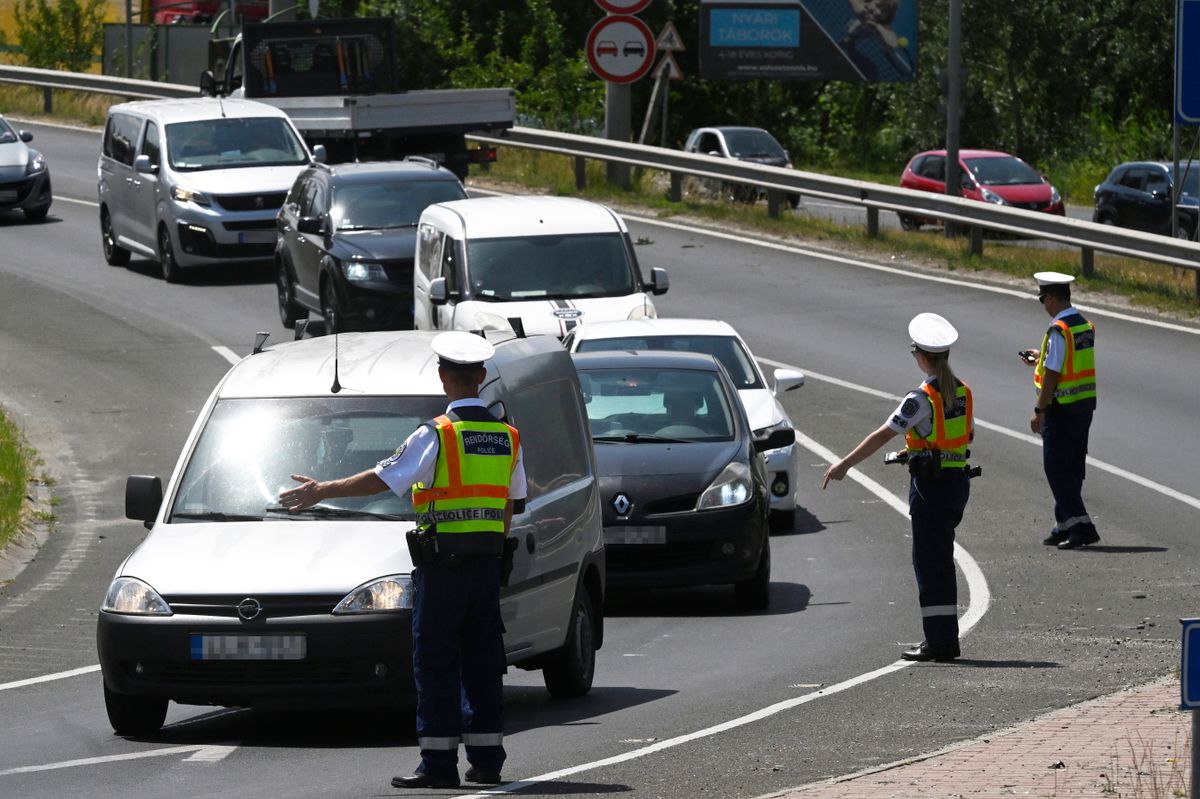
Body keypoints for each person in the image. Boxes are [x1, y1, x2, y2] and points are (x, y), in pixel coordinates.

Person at [278, 331, 526, 790]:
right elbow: (511, 503)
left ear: (443, 378)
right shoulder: (507, 437)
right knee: (483, 660)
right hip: (487, 564)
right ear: (483, 377)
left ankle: (437, 765)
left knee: (434, 660)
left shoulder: (438, 434)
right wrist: (490, 548)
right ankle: (488, 760)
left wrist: (322, 490)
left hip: (442, 567)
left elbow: (382, 478)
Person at [821, 313, 973, 662]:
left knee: (929, 565)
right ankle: (945, 639)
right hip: (956, 483)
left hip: (931, 489)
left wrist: (844, 464)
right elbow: (962, 436)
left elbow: (881, 434)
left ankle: (939, 643)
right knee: (941, 562)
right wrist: (918, 448)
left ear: (922, 356)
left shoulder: (921, 398)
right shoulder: (962, 391)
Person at [1019, 271, 1098, 550]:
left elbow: (1053, 374)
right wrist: (1040, 358)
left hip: (1061, 408)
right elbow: (1068, 361)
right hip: (1084, 404)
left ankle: (1082, 526)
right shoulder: (1082, 325)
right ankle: (1064, 523)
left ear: (1051, 298)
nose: (1044, 305)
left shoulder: (1058, 329)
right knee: (1073, 466)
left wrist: (1039, 409)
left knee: (1056, 468)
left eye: (1043, 299)